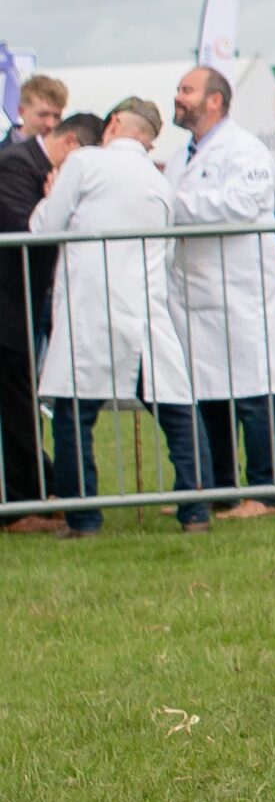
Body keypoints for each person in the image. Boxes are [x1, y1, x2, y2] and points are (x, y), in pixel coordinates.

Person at [31, 99, 210, 537]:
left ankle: (84, 518)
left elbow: (44, 226)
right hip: (145, 307)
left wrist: (51, 196)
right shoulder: (160, 181)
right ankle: (195, 510)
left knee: (75, 416)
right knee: (175, 411)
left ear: (112, 124)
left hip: (90, 309)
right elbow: (167, 251)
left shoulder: (85, 162)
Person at [170, 65, 275, 521]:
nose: (178, 97)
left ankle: (264, 491)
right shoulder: (184, 152)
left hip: (241, 292)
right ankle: (220, 487)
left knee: (253, 391)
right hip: (198, 291)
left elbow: (239, 204)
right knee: (210, 390)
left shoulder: (247, 151)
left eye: (187, 90)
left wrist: (175, 207)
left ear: (215, 100)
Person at [0, 110, 100, 532]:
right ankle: (24, 505)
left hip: (22, 303)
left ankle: (41, 489)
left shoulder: (30, 166)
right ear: (72, 146)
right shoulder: (16, 166)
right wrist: (53, 199)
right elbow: (26, 228)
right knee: (17, 403)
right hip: (7, 302)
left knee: (20, 401)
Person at [7, 74, 67, 146]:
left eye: (57, 117)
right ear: (22, 111)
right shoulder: (3, 154)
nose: (50, 124)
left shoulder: (68, 154)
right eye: (43, 115)